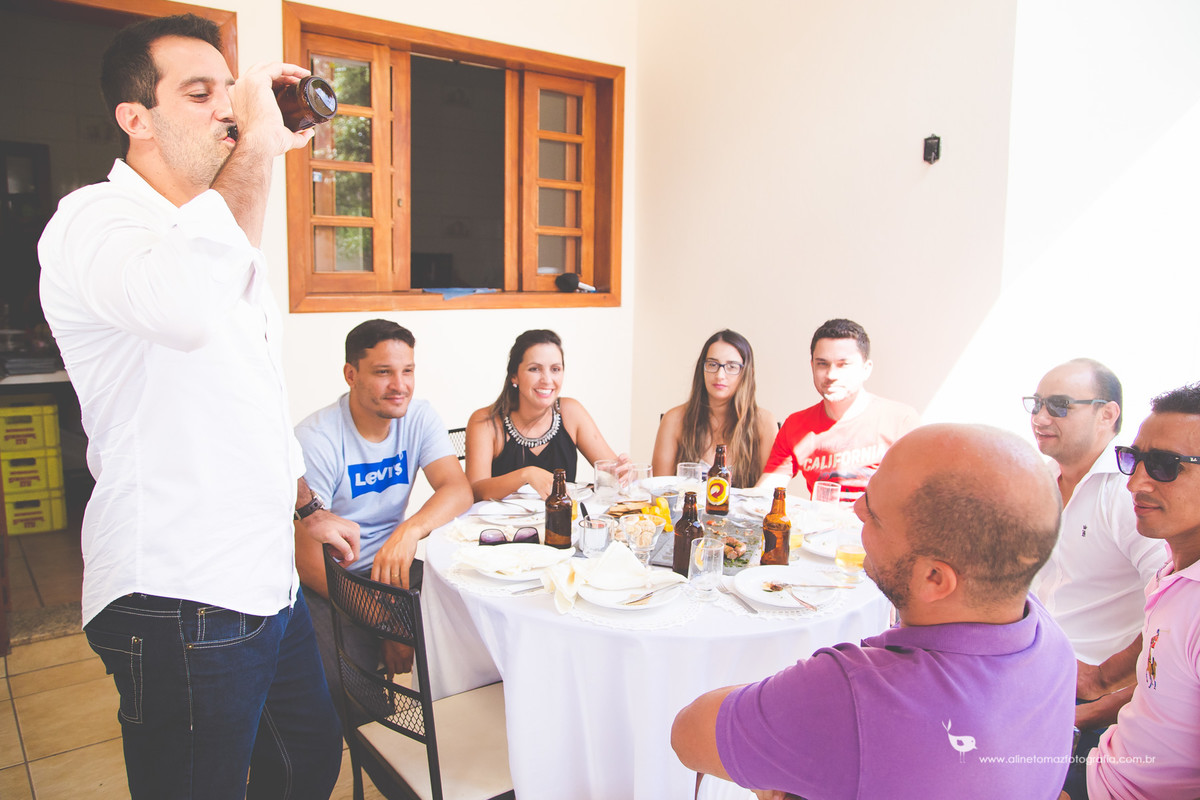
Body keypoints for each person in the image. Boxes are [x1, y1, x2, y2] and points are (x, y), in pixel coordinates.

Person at [35, 14, 358, 799]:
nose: (228, 109)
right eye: (200, 91)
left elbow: (248, 395)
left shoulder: (216, 235)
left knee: (305, 762)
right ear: (134, 118)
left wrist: (305, 507)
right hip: (180, 594)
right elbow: (182, 307)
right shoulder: (92, 221)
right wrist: (255, 145)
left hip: (263, 582)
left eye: (231, 91)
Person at [673, 423, 1076, 800]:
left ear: (934, 577)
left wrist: (788, 745)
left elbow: (688, 735)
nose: (858, 510)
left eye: (875, 513)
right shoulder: (1053, 643)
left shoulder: (855, 694)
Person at [294, 319, 472, 703]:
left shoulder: (419, 416)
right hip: (330, 580)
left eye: (407, 371)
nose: (400, 385)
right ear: (351, 374)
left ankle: (456, 733)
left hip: (393, 569)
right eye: (383, 372)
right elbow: (308, 562)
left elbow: (458, 489)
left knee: (472, 618)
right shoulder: (318, 438)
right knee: (353, 688)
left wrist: (408, 532)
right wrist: (391, 626)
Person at [1025, 360, 1166, 767]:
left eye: (1059, 405)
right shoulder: (1042, 477)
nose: (1040, 417)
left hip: (1088, 704)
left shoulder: (1129, 492)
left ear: (1108, 414)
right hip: (1031, 674)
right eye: (1036, 404)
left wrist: (1101, 682)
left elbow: (1172, 610)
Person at [1070, 383, 1200, 800]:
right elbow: (1162, 688)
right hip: (1102, 760)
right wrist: (1082, 713)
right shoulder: (1175, 569)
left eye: (1165, 465)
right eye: (1135, 459)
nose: (1135, 484)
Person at [758, 318, 918, 501]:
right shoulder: (796, 425)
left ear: (866, 369)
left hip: (877, 528)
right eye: (822, 364)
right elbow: (764, 492)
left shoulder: (900, 421)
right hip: (819, 527)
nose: (831, 375)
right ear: (812, 366)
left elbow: (918, 498)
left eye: (843, 364)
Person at [465, 329, 628, 500]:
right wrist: (526, 474)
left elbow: (612, 473)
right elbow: (475, 492)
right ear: (514, 375)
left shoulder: (571, 412)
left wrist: (624, 472)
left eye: (555, 369)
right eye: (534, 369)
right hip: (501, 526)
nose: (547, 380)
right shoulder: (485, 422)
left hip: (563, 523)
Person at [651, 329, 777, 487]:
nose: (720, 375)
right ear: (701, 368)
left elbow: (769, 494)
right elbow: (659, 490)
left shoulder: (764, 423)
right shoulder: (674, 419)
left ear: (747, 373)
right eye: (712, 364)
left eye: (731, 367)